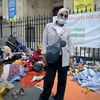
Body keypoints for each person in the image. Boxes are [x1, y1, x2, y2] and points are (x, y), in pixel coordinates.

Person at [39, 8, 74, 100]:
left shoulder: (67, 29)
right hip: (51, 57)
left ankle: (59, 98)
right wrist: (43, 54)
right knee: (48, 80)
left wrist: (71, 57)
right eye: (61, 15)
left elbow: (70, 44)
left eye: (66, 16)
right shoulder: (49, 26)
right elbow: (44, 41)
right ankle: (44, 98)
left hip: (64, 58)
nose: (63, 17)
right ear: (57, 15)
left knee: (62, 82)